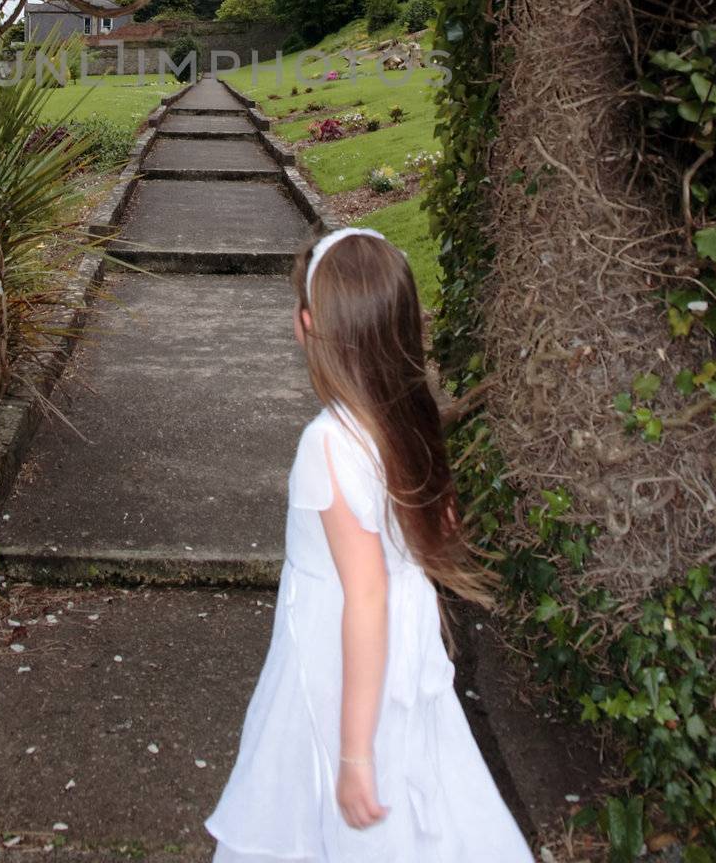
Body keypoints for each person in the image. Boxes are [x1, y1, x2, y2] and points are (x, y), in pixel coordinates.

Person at [203, 225, 535, 862]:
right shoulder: (406, 423)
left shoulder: (328, 445)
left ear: (307, 325)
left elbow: (366, 596)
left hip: (342, 665)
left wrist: (354, 753)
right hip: (401, 651)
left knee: (343, 807)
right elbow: (431, 536)